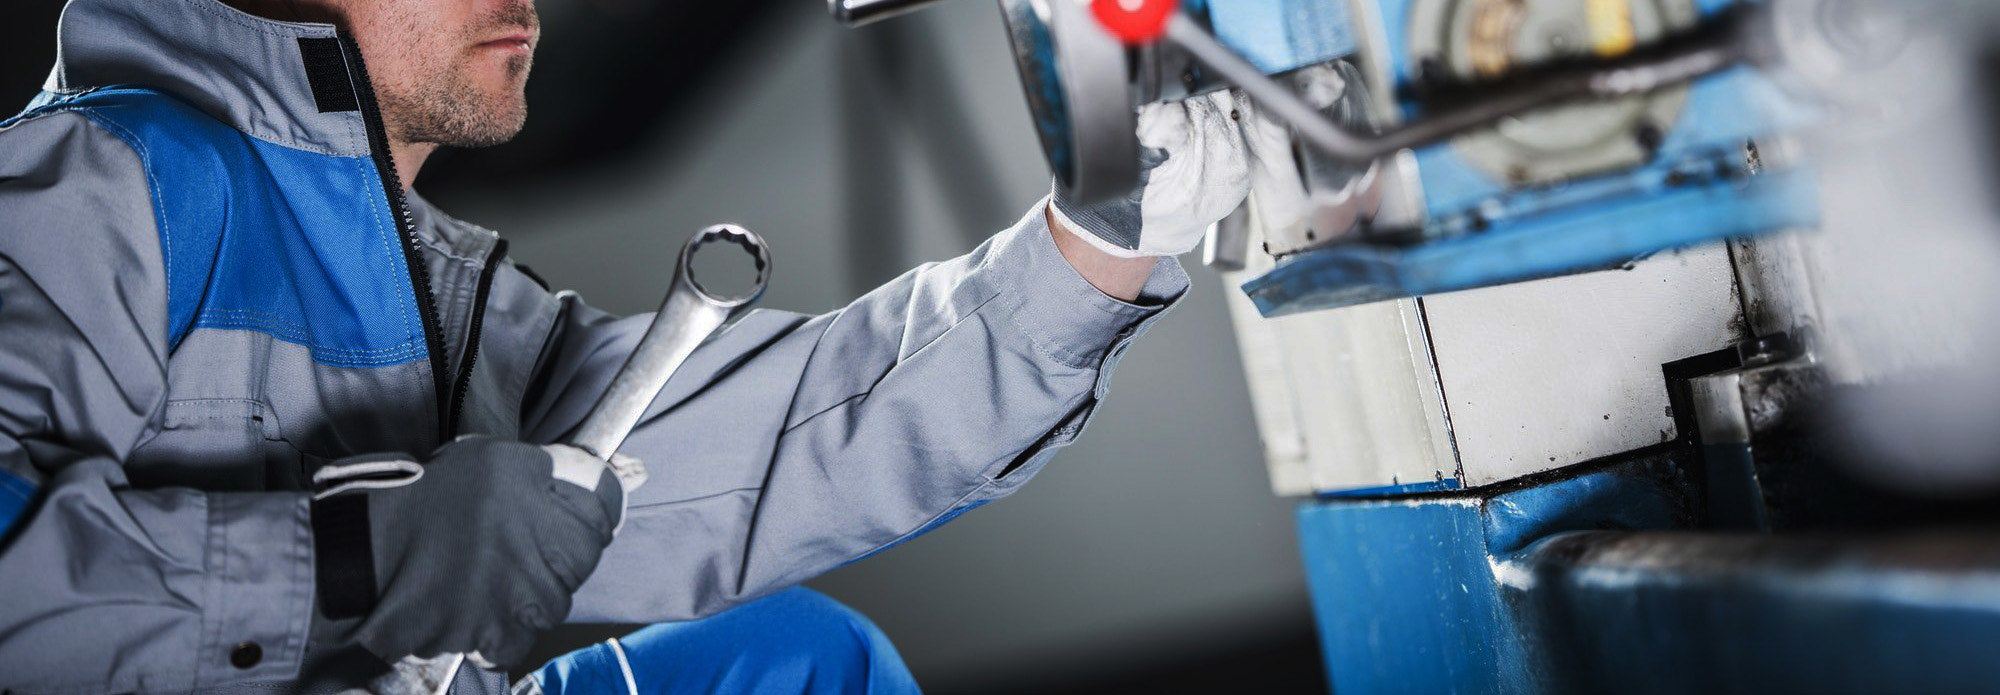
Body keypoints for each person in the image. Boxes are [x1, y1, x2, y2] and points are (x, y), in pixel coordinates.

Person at [0, 0, 1266, 691]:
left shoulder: (449, 293)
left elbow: (792, 443)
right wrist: (350, 560)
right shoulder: (92, 184)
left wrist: (1095, 238)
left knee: (799, 665)